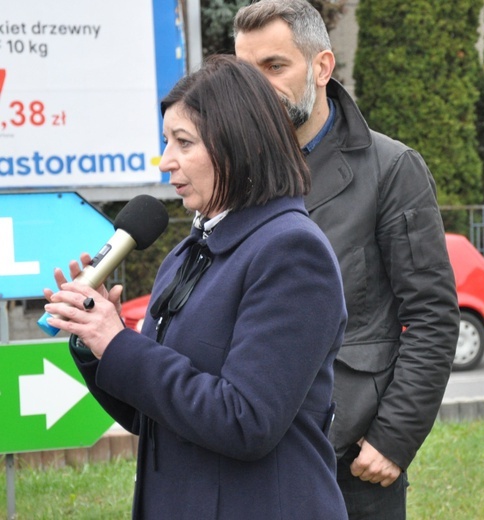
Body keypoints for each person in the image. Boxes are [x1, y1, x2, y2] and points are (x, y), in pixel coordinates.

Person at [42, 55, 349, 520]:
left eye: (183, 143)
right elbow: (155, 415)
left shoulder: (291, 252)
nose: (167, 162)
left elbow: (246, 421)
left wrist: (119, 343)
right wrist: (96, 344)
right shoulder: (188, 253)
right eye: (167, 142)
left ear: (238, 144)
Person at [234, 2, 460, 518]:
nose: (257, 87)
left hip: (349, 462)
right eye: (246, 72)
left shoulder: (391, 169)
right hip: (250, 453)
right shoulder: (230, 175)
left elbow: (431, 315)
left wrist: (395, 438)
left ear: (322, 67)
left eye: (275, 67)